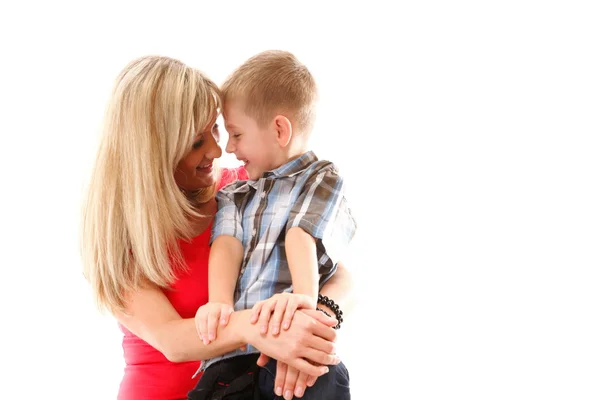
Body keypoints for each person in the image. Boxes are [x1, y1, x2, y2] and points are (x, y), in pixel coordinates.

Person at [81, 55, 354, 400]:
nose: (216, 149)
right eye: (197, 142)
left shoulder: (242, 190)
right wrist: (265, 328)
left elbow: (340, 276)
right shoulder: (117, 236)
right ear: (152, 152)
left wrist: (313, 321)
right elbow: (172, 340)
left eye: (215, 129)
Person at [191, 50, 356, 400]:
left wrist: (303, 302)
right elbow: (226, 244)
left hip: (297, 344)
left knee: (319, 376)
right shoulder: (235, 193)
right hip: (234, 355)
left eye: (236, 134)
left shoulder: (321, 178)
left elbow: (302, 234)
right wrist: (219, 301)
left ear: (280, 129)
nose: (229, 148)